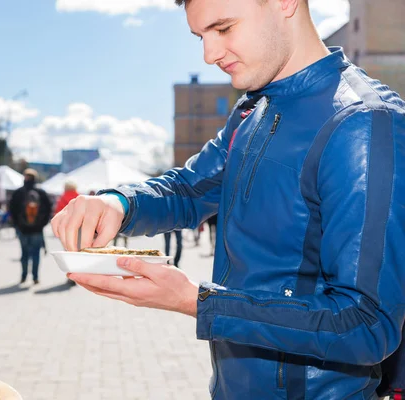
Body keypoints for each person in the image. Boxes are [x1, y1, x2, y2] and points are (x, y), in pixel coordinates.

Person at [51, 0, 405, 398]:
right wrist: (118, 202)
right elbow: (189, 189)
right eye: (200, 36)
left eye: (223, 28)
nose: (209, 54)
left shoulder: (363, 122)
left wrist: (198, 303)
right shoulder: (250, 110)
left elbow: (366, 324)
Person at [9, 169, 52, 285]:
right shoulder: (41, 193)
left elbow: (11, 210)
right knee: (36, 254)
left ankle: (23, 276)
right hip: (37, 229)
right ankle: (35, 277)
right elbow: (49, 209)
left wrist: (17, 225)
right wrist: (42, 224)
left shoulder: (18, 193)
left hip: (22, 229)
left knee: (24, 254)